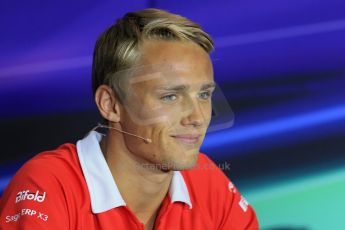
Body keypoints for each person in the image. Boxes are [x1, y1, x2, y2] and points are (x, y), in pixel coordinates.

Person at [0, 8, 258, 229]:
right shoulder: (47, 187)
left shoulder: (208, 182)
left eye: (203, 94)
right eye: (170, 96)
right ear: (110, 104)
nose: (198, 117)